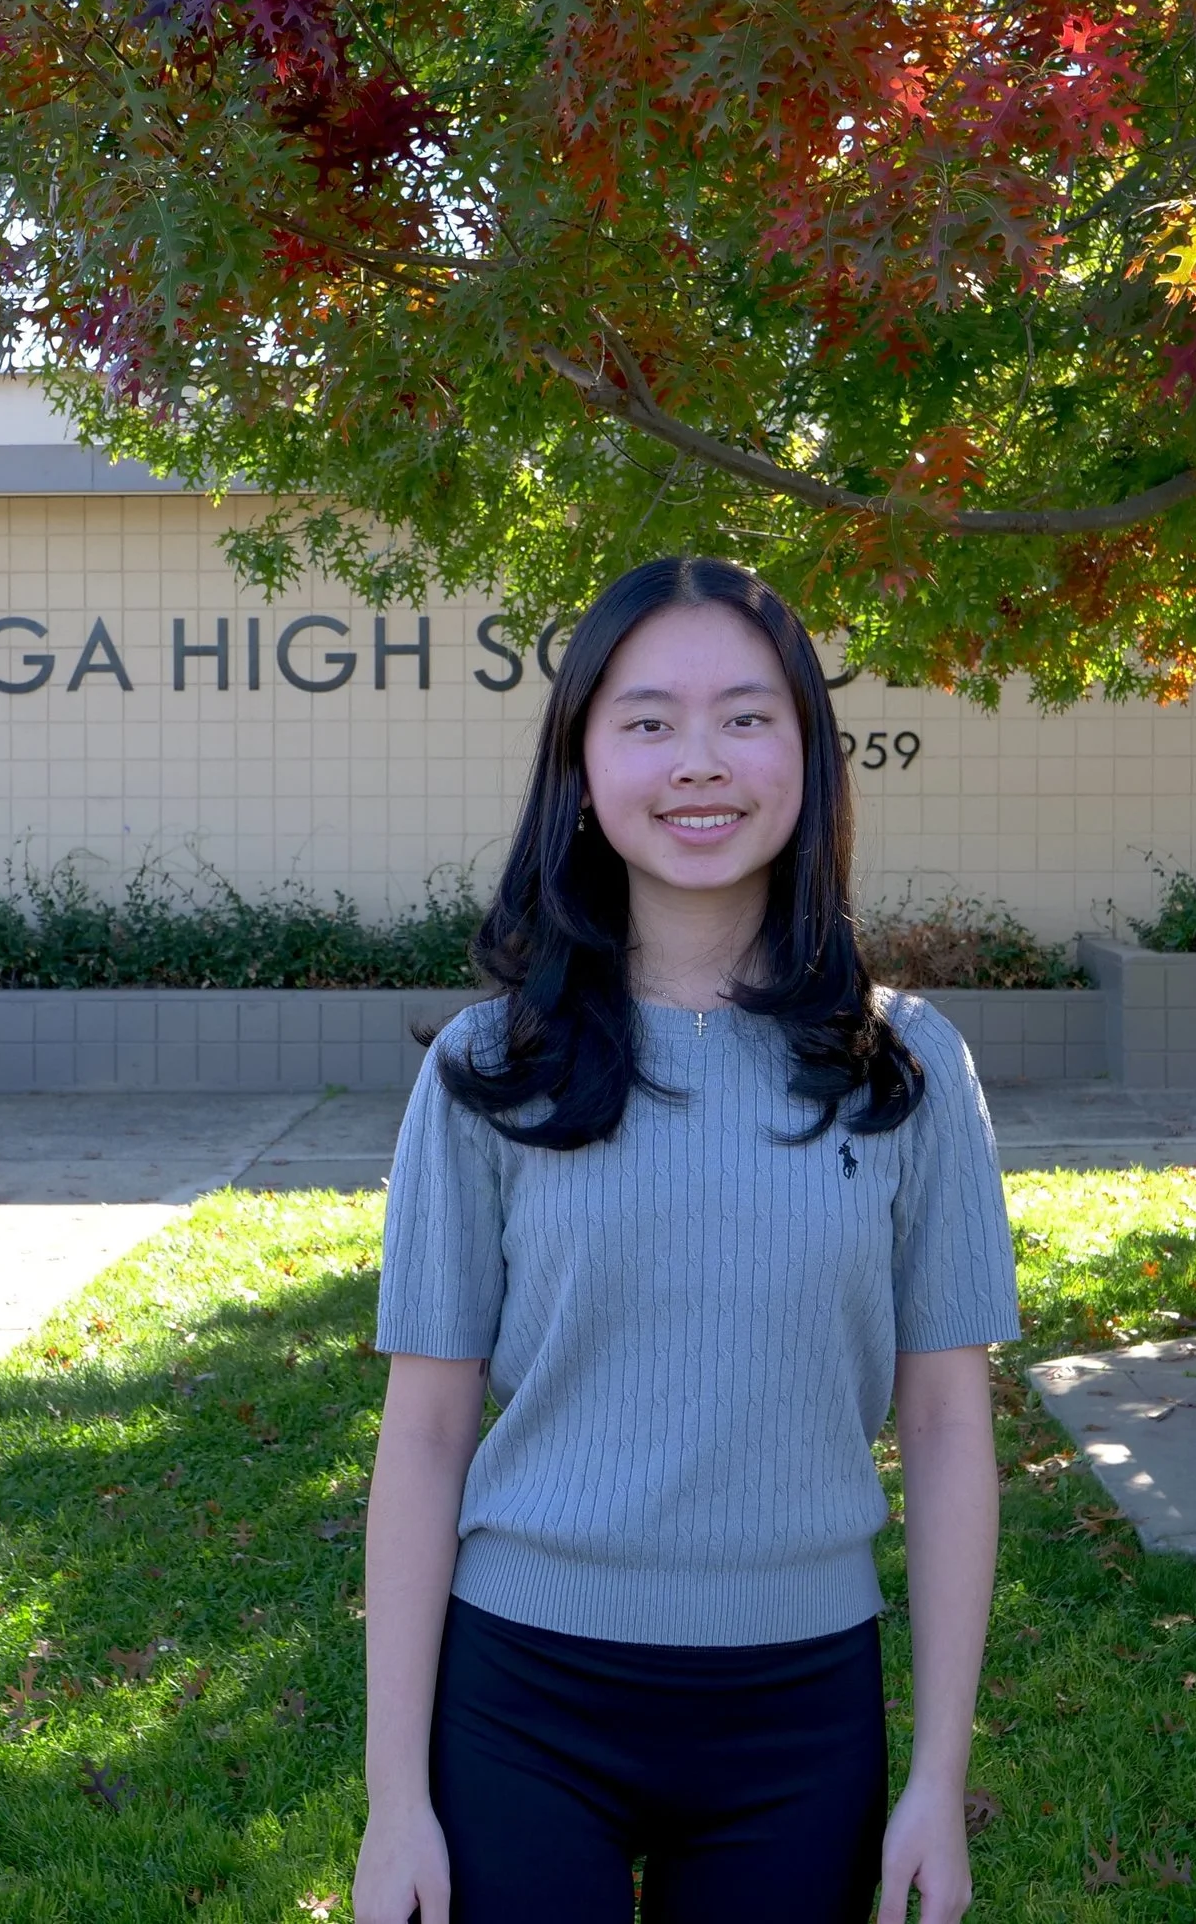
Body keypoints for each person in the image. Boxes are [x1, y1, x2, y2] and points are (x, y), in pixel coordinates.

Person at [352, 557, 1019, 1924]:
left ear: (808, 754)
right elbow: (423, 1435)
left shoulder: (909, 1067)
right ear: (582, 769)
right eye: (647, 721)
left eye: (745, 717)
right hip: (523, 1700)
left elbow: (949, 1427)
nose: (698, 763)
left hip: (800, 1708)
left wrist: (937, 1781)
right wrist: (393, 1802)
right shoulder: (491, 1066)